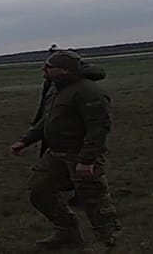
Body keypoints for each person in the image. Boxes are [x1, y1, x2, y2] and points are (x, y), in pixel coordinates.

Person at [9, 49, 123, 249]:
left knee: (93, 199)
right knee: (40, 191)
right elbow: (49, 119)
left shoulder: (88, 91)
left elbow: (98, 127)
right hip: (56, 154)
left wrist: (87, 160)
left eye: (49, 66)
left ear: (64, 70)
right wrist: (25, 141)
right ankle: (66, 233)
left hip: (80, 155)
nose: (43, 69)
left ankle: (108, 241)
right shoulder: (57, 89)